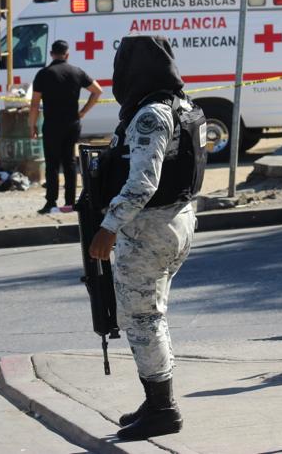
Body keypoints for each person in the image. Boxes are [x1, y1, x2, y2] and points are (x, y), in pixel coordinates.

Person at [88, 35, 206, 441]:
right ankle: (155, 397)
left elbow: (142, 184)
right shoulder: (181, 104)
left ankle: (163, 408)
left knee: (141, 318)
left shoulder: (150, 115)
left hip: (150, 228)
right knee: (150, 314)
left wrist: (108, 227)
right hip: (177, 220)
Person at [29, 40, 103, 214]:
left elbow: (34, 104)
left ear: (51, 54)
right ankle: (70, 202)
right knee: (70, 163)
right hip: (72, 124)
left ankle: (51, 202)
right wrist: (83, 111)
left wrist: (32, 125)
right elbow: (97, 90)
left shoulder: (43, 74)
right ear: (67, 54)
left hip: (52, 125)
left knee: (52, 164)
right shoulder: (76, 72)